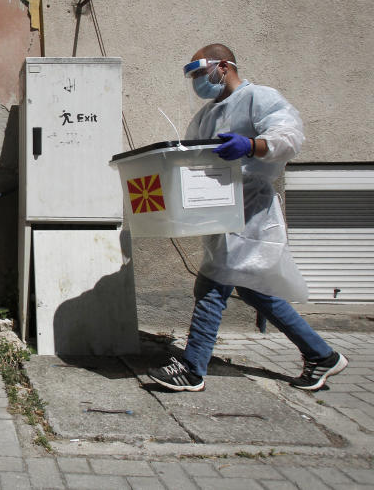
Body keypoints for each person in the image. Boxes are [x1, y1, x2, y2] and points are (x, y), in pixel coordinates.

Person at [147, 43, 347, 393]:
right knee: (255, 291)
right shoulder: (207, 115)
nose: (197, 81)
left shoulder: (259, 98)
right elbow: (191, 155)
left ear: (223, 66)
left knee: (211, 285)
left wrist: (251, 145)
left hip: (250, 209)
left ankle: (193, 369)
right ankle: (322, 355)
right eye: (193, 76)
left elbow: (289, 136)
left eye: (200, 73)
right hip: (220, 209)